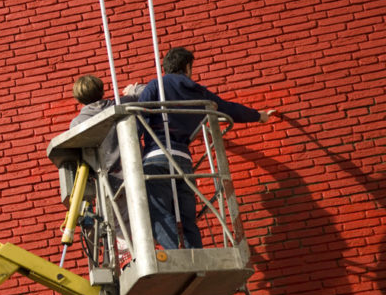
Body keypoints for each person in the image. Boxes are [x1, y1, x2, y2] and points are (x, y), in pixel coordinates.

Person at [137, 47, 276, 249]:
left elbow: (139, 120)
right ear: (187, 67)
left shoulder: (156, 86)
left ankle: (179, 257)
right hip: (183, 160)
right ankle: (196, 256)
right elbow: (229, 109)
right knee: (187, 218)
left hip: (156, 157)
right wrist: (259, 115)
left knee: (158, 213)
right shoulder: (198, 92)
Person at [70, 75, 143, 255]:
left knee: (117, 226)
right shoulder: (120, 105)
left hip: (107, 182)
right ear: (102, 90)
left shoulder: (78, 124)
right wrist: (133, 90)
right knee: (143, 217)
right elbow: (151, 91)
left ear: (78, 99)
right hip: (136, 173)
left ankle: (128, 259)